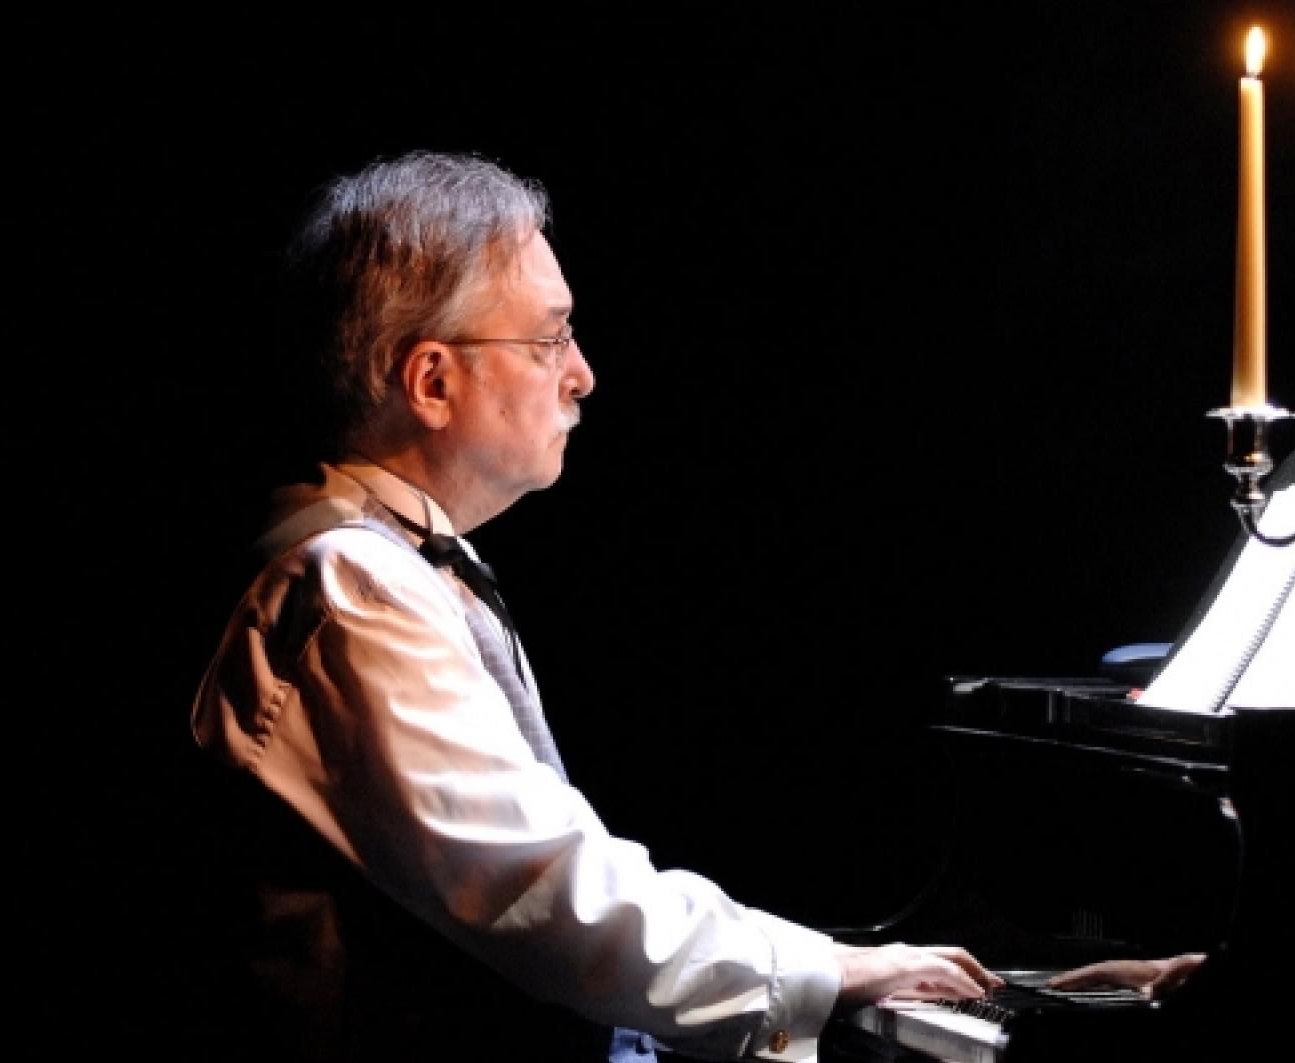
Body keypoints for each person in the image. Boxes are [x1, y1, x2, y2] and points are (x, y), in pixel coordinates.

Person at [185, 150, 998, 1061]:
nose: (581, 374)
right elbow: (547, 891)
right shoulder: (354, 586)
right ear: (432, 381)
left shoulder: (394, 561)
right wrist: (824, 970)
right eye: (549, 338)